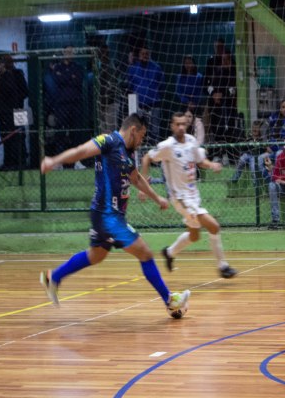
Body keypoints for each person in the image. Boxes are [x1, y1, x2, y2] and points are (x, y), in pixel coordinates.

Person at [38, 113, 190, 315]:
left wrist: (157, 198)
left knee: (96, 255)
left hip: (109, 215)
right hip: (107, 215)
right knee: (145, 252)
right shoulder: (109, 141)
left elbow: (135, 178)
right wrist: (54, 161)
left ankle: (53, 277)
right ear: (133, 130)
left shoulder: (127, 153)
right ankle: (170, 301)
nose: (142, 141)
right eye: (142, 136)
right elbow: (81, 151)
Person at [140, 112, 238, 279]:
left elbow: (201, 161)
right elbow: (146, 158)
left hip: (194, 196)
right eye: (177, 124)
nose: (180, 127)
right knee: (213, 226)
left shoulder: (192, 141)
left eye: (183, 124)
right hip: (180, 199)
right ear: (171, 126)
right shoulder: (167, 146)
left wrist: (212, 164)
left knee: (194, 235)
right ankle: (223, 266)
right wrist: (144, 186)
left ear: (187, 125)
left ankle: (169, 252)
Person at [0, 55, 29, 170]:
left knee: (20, 134)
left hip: (18, 108)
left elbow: (24, 92)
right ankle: (13, 161)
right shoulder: (2, 76)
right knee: (10, 135)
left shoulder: (17, 74)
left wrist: (16, 100)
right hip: (11, 109)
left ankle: (20, 160)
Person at [127, 46, 165, 144]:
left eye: (147, 54)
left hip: (154, 104)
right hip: (139, 105)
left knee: (155, 131)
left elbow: (162, 85)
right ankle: (139, 155)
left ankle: (156, 156)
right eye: (142, 54)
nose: (145, 56)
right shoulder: (133, 68)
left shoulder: (156, 68)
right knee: (138, 130)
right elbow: (129, 85)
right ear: (139, 55)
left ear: (150, 54)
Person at [52, 45, 86, 155]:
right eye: (67, 51)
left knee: (76, 132)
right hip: (61, 105)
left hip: (76, 103)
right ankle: (60, 161)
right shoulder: (57, 67)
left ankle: (77, 160)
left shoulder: (78, 67)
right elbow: (58, 80)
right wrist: (70, 76)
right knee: (60, 132)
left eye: (71, 52)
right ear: (63, 52)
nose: (69, 53)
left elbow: (78, 80)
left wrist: (64, 77)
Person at [231, 120, 265, 184]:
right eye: (253, 128)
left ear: (260, 129)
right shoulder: (249, 136)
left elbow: (263, 149)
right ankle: (235, 177)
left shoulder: (261, 138)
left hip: (255, 156)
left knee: (253, 168)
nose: (255, 130)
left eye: (257, 128)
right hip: (247, 154)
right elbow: (244, 146)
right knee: (241, 160)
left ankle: (255, 183)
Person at [97, 44, 119, 134]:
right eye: (102, 52)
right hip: (101, 104)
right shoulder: (99, 66)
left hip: (110, 103)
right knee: (103, 131)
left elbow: (110, 88)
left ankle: (113, 148)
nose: (104, 54)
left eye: (106, 52)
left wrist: (103, 104)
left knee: (111, 130)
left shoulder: (110, 66)